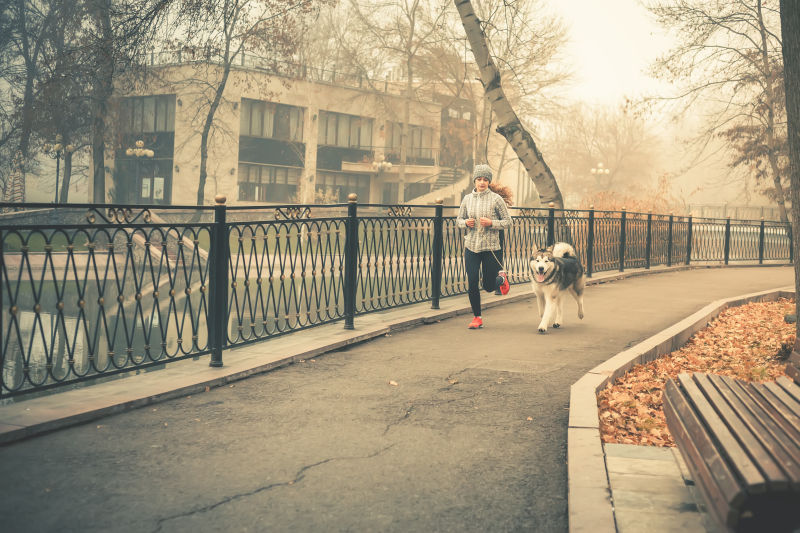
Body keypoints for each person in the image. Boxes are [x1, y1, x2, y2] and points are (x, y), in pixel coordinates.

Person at [456, 164, 512, 329]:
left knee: (488, 286)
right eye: (479, 179)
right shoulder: (467, 199)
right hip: (471, 246)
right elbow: (458, 221)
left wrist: (492, 223)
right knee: (472, 281)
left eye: (485, 179)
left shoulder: (496, 199)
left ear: (489, 181)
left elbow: (508, 222)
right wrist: (465, 222)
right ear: (474, 181)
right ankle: (477, 317)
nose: (482, 182)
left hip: (490, 248)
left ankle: (501, 279)